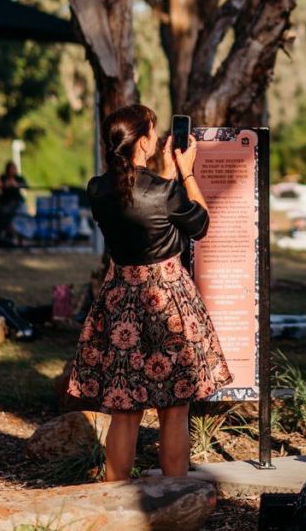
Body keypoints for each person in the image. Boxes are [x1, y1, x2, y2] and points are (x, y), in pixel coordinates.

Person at [66, 104, 232, 480]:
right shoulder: (165, 192)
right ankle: (174, 498)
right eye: (153, 133)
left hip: (120, 298)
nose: (157, 139)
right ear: (143, 141)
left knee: (124, 410)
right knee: (174, 408)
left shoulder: (97, 190)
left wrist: (167, 179)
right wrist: (186, 173)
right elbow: (200, 224)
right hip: (166, 299)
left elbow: (136, 201)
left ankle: (115, 497)